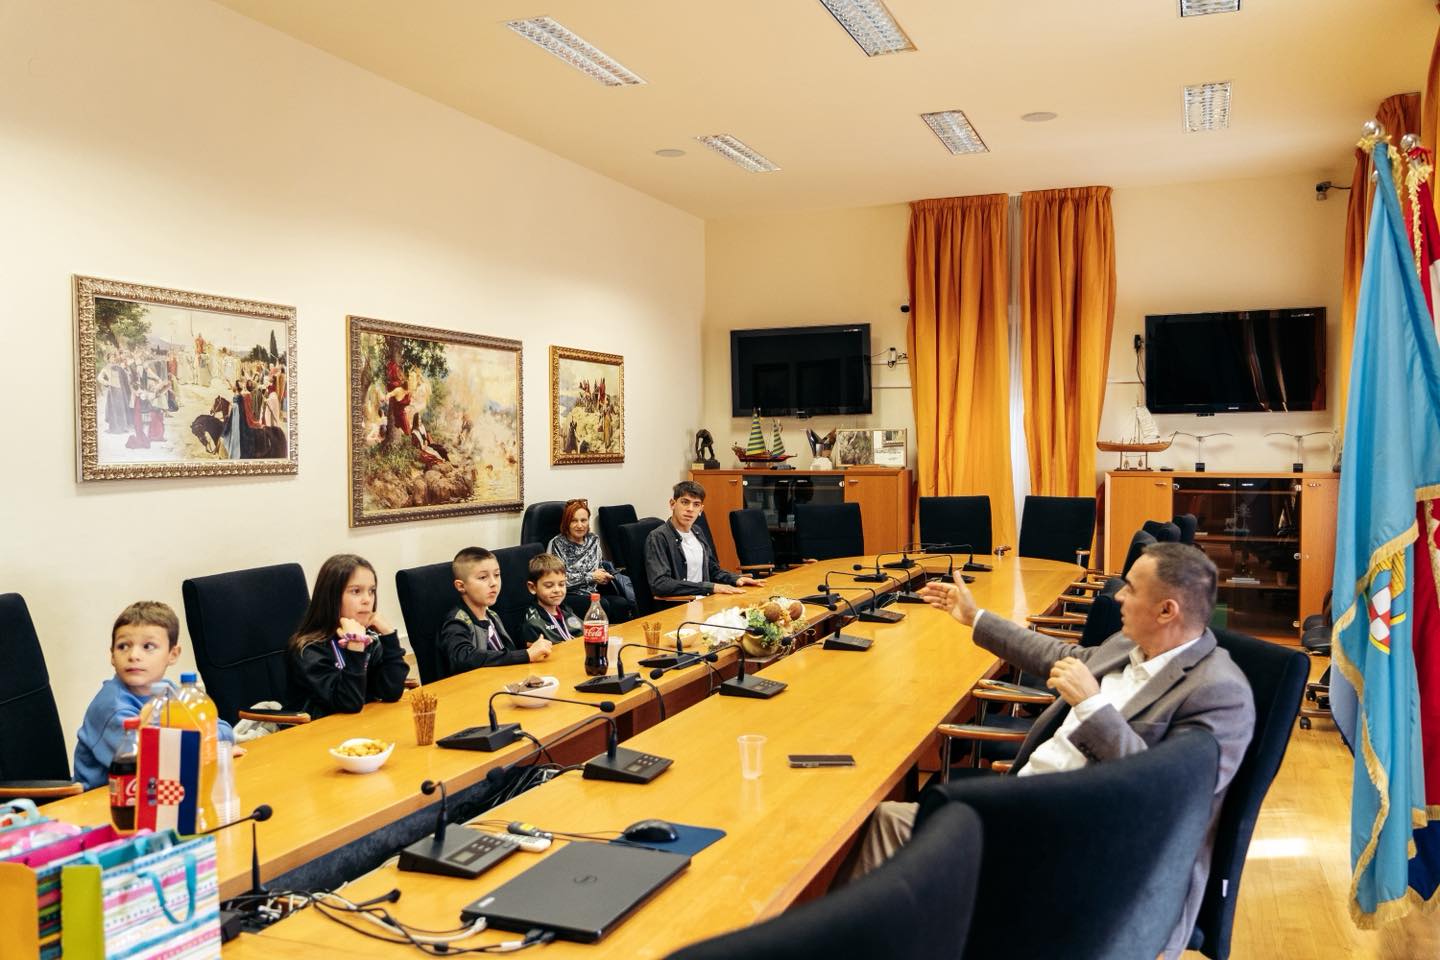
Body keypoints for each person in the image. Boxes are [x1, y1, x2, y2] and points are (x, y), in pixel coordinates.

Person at [852, 542, 1254, 960]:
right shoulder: (1130, 644)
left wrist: (1092, 705)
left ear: (1166, 611)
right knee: (887, 822)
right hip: (1029, 803)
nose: (1118, 596)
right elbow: (1062, 656)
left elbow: (1169, 796)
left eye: (1131, 589)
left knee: (893, 835)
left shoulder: (1219, 692)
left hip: (1082, 846)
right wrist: (975, 617)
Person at [74, 601, 237, 789]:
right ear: (112, 656)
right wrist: (206, 746)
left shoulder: (168, 691)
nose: (133, 655)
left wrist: (202, 745)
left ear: (173, 654)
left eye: (148, 646)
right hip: (106, 799)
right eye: (123, 646)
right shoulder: (112, 707)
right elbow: (152, 764)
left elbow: (224, 730)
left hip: (153, 791)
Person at [287, 554, 409, 719]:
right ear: (332, 597)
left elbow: (391, 691)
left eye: (371, 591)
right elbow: (348, 703)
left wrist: (388, 636)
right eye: (356, 591)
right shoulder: (309, 650)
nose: (367, 600)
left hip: (361, 724)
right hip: (319, 730)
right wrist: (355, 648)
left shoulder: (369, 640)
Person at [435, 547, 552, 677]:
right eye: (483, 577)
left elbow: (504, 651)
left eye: (497, 575)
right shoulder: (456, 622)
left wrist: (527, 647)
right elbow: (463, 656)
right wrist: (525, 655)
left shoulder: (492, 615)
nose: (494, 583)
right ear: (461, 586)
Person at [643, 481, 760, 597]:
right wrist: (709, 587)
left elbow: (712, 570)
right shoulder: (658, 537)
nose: (690, 509)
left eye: (696, 504)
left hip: (705, 600)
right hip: (682, 604)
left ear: (701, 510)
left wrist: (735, 579)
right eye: (685, 502)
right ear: (672, 504)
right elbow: (660, 584)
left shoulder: (697, 531)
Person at [547, 499, 634, 621]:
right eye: (574, 521)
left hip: (593, 592)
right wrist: (591, 577)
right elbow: (557, 580)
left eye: (583, 520)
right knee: (601, 605)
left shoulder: (594, 540)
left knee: (620, 604)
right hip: (567, 596)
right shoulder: (557, 544)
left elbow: (598, 567)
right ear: (567, 523)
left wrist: (603, 576)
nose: (580, 525)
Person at [520, 553, 584, 644]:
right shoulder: (533, 624)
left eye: (561, 584)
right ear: (532, 587)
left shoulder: (566, 610)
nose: (557, 590)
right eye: (549, 586)